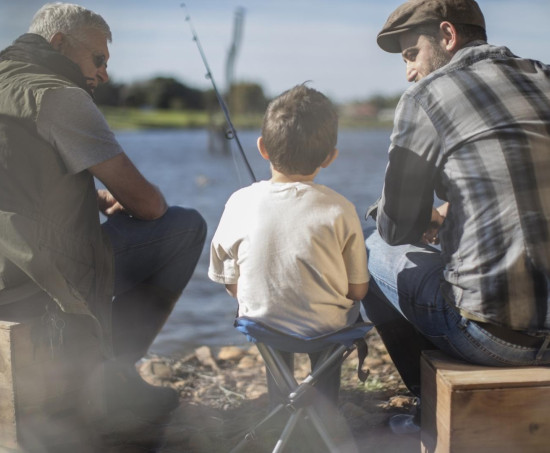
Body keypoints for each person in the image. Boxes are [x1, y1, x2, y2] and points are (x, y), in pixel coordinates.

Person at [0, 2, 206, 425]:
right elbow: (148, 204)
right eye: (98, 59)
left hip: (8, 260)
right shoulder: (58, 95)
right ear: (58, 43)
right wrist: (124, 198)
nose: (104, 74)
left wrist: (89, 197)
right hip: (37, 273)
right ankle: (112, 378)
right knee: (184, 226)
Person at [363, 0, 550, 405]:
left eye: (411, 54)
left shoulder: (425, 97)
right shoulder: (543, 76)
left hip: (497, 339)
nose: (409, 71)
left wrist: (416, 214)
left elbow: (398, 228)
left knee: (371, 247)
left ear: (447, 36)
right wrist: (456, 208)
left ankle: (424, 403)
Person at [208, 84, 369, 407]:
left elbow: (227, 279)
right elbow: (358, 292)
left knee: (268, 314)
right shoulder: (340, 209)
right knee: (332, 319)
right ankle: (325, 410)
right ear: (330, 157)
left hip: (263, 325)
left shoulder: (239, 202)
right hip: (325, 331)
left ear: (262, 148)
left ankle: (282, 404)